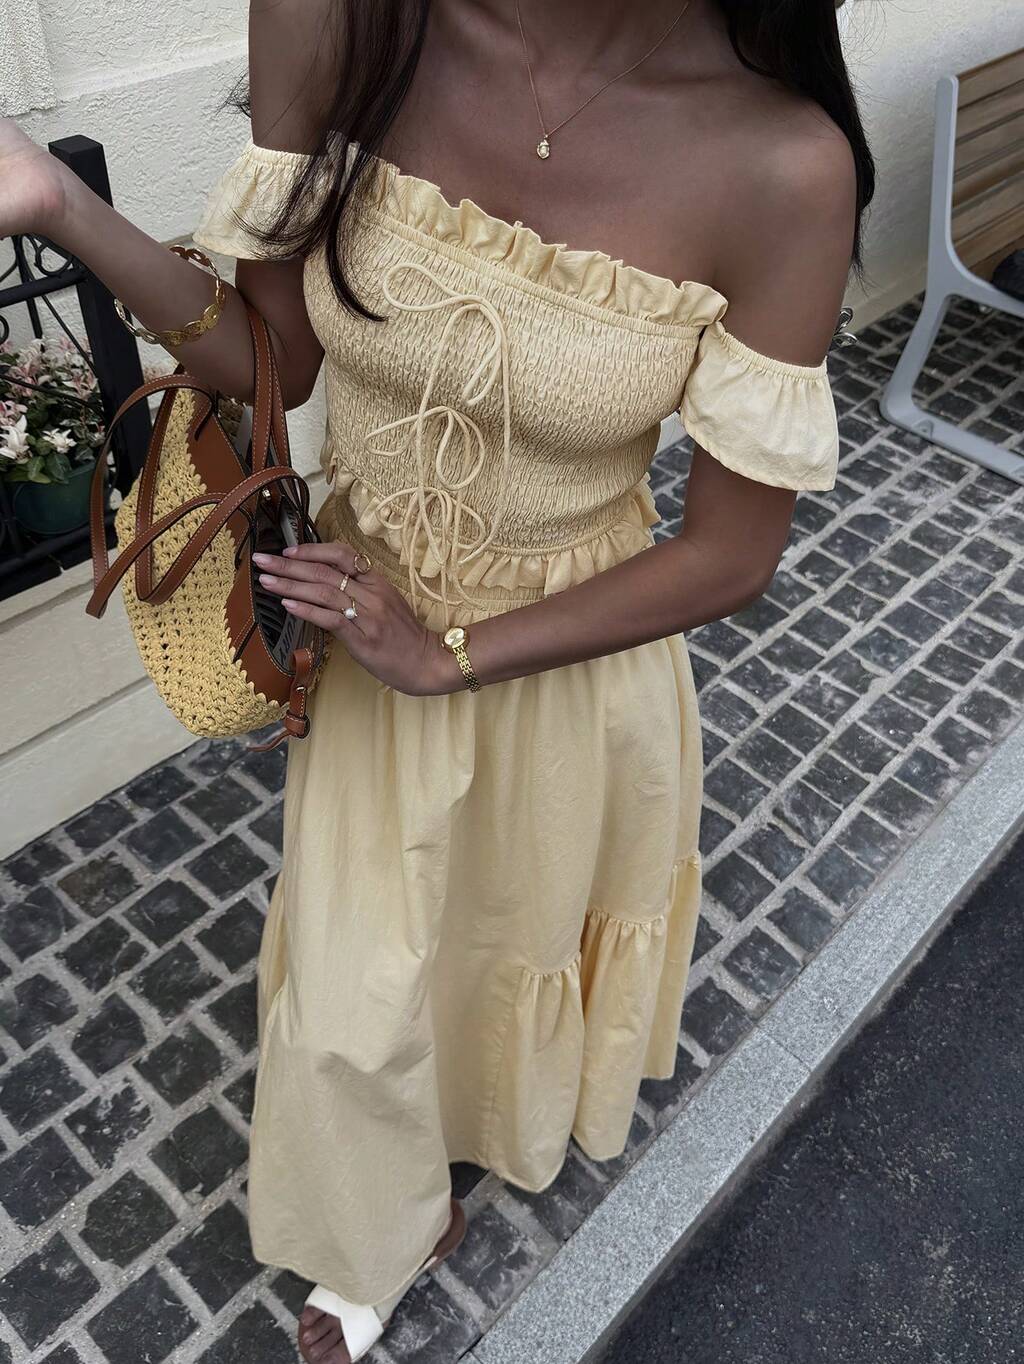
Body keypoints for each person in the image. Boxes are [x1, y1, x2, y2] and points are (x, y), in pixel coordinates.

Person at [0, 0, 873, 1358]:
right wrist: (59, 206)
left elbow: (729, 552)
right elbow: (268, 362)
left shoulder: (785, 164)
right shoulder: (348, 23)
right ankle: (382, 1224)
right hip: (366, 638)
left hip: (574, 661)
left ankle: (452, 1157)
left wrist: (453, 654)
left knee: (500, 945)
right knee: (354, 995)